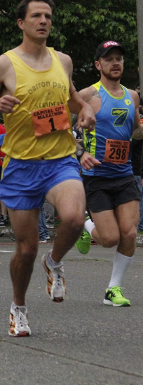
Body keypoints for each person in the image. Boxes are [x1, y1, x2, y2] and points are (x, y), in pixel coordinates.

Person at [0, 0, 96, 337]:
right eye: (36, 16)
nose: (43, 21)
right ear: (21, 23)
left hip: (59, 161)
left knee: (74, 218)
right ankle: (19, 307)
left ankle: (53, 262)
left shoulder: (63, 61)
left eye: (48, 17)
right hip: (21, 166)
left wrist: (86, 109)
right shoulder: (3, 65)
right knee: (26, 250)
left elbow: (73, 100)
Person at [75, 40, 143, 306]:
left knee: (129, 233)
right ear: (98, 64)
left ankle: (113, 289)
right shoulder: (87, 95)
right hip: (97, 177)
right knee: (109, 239)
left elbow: (135, 130)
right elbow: (59, 126)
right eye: (109, 59)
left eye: (119, 59)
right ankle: (85, 224)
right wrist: (80, 152)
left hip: (125, 175)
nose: (115, 63)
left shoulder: (132, 96)